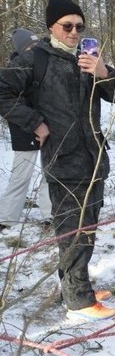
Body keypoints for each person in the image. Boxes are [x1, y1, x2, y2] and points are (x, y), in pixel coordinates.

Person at [0, 0, 115, 320]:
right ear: (51, 27)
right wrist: (34, 122)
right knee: (73, 230)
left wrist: (102, 72)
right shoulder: (34, 59)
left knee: (87, 227)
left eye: (79, 26)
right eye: (67, 26)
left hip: (94, 157)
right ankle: (79, 305)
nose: (74, 32)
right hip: (63, 159)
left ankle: (76, 287)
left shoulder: (87, 58)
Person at [0, 28, 53, 232]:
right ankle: (7, 217)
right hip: (24, 129)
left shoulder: (45, 62)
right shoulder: (14, 70)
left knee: (50, 173)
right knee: (20, 175)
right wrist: (32, 122)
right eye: (29, 46)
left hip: (49, 127)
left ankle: (49, 214)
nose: (34, 49)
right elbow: (9, 102)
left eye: (36, 44)